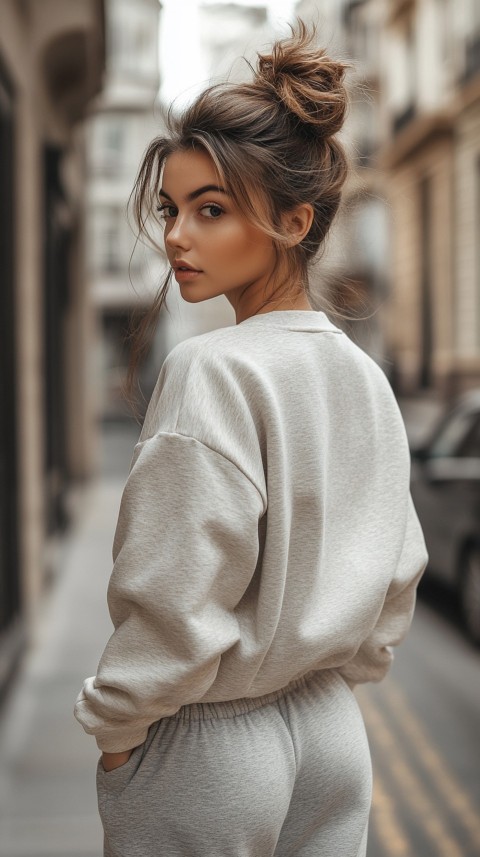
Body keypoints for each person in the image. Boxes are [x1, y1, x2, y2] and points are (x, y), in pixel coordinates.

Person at [74, 20, 428, 857]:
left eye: (211, 210)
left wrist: (119, 730)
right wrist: (330, 672)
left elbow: (170, 589)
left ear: (295, 221)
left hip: (210, 747)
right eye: (171, 209)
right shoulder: (363, 378)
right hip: (334, 731)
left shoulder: (210, 371)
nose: (176, 238)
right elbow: (397, 572)